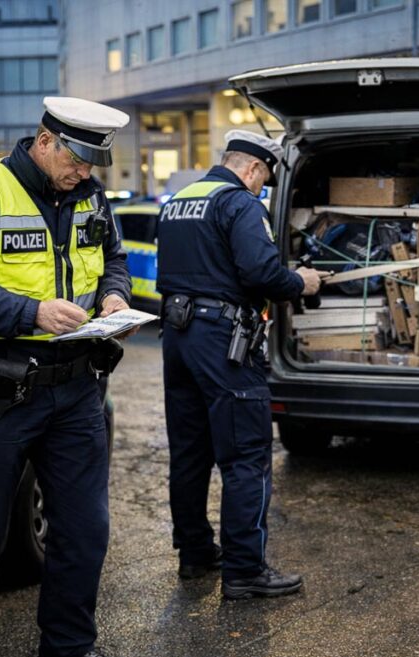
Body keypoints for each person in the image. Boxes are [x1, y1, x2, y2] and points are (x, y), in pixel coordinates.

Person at [0, 96, 136, 657]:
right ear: (44, 141)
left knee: (83, 528)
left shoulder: (90, 196)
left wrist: (114, 296)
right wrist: (30, 312)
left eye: (94, 162)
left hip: (76, 391)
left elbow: (111, 259)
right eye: (77, 158)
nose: (85, 172)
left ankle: (65, 654)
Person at [156, 129, 323, 601]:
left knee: (189, 455)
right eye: (264, 180)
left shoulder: (179, 200)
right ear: (251, 168)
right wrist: (302, 281)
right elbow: (260, 273)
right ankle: (246, 570)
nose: (262, 189)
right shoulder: (240, 203)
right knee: (246, 457)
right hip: (223, 341)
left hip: (178, 337)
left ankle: (194, 554)